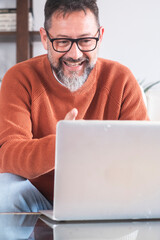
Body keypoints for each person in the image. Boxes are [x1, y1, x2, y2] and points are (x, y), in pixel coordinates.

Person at [0, 0, 148, 212]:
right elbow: (7, 155)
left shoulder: (121, 79)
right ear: (45, 38)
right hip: (36, 198)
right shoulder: (20, 78)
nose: (75, 54)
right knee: (4, 192)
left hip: (102, 196)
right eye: (62, 41)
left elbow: (142, 154)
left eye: (86, 40)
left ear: (100, 36)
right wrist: (62, 144)